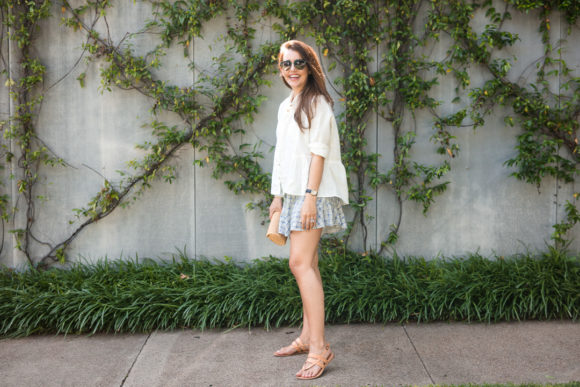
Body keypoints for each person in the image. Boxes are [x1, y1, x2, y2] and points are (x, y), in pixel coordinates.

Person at [269, 40, 349, 380]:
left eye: (298, 63)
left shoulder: (317, 104)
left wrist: (310, 197)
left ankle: (319, 348)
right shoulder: (287, 105)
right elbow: (281, 155)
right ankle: (305, 338)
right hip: (292, 194)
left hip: (312, 193)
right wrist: (277, 197)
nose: (292, 70)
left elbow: (318, 154)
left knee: (298, 263)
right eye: (286, 64)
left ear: (309, 66)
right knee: (310, 264)